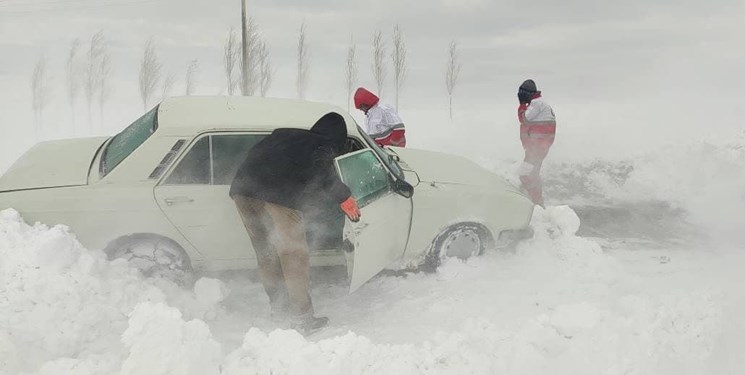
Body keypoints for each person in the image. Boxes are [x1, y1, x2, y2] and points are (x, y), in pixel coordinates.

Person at [229, 112, 361, 334]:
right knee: (293, 256)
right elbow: (323, 172)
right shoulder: (323, 143)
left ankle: (278, 308)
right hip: (277, 196)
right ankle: (302, 319)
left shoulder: (285, 135)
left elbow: (257, 155)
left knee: (266, 252)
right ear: (337, 137)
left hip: (242, 192)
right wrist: (344, 197)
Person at [516, 79, 556, 207]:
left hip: (537, 147)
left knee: (526, 173)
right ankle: (529, 197)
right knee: (531, 173)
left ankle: (536, 203)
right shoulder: (540, 103)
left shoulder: (536, 104)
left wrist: (522, 104)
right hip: (538, 147)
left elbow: (524, 119)